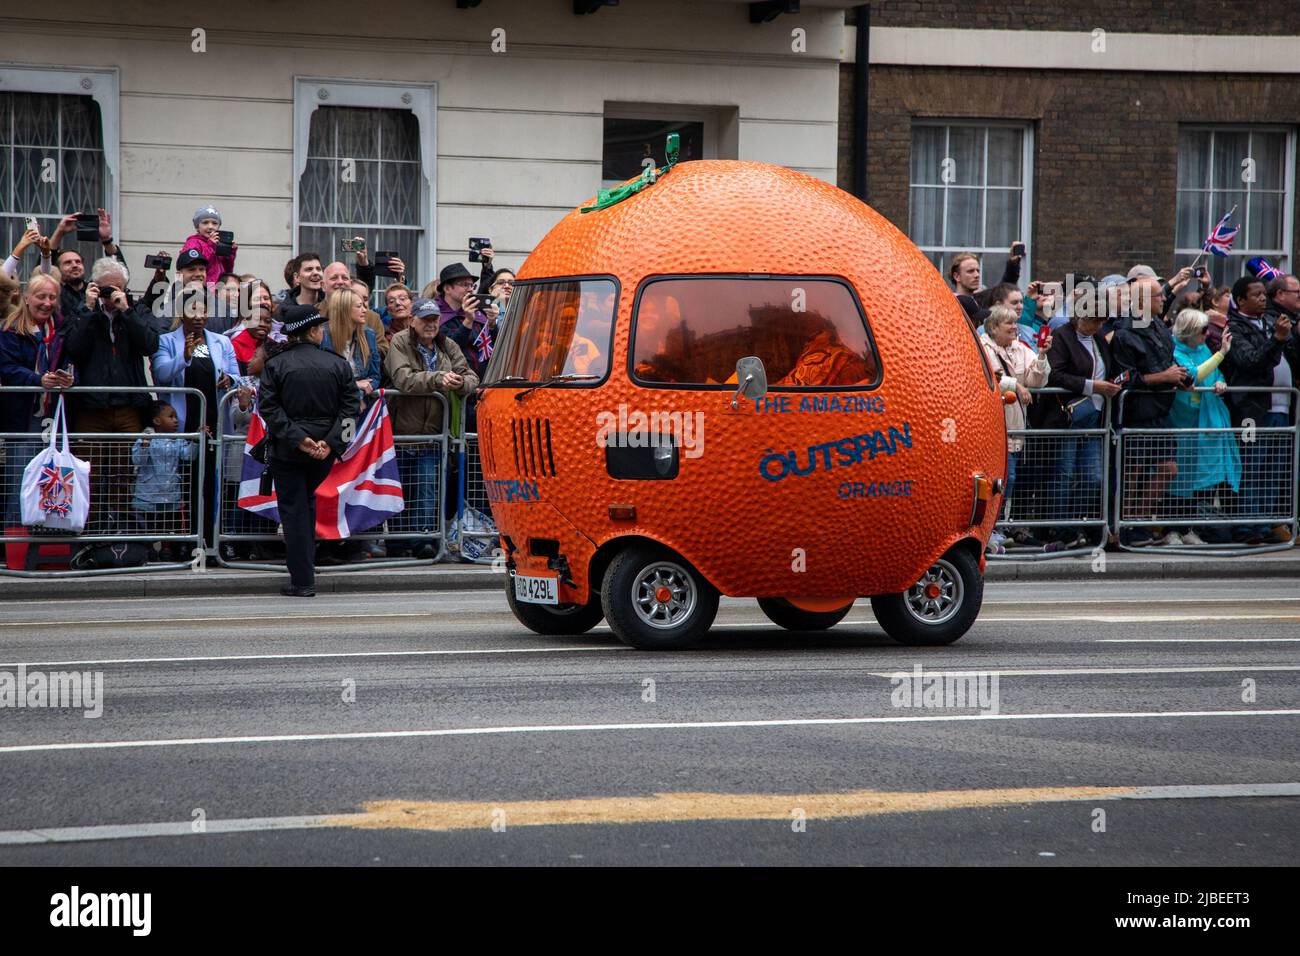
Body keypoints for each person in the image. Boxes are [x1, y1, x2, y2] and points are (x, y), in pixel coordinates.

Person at [258, 305, 361, 596]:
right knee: (305, 508)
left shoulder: (276, 365)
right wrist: (332, 443)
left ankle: (302, 580)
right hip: (322, 452)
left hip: (288, 450)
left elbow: (268, 408)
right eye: (320, 328)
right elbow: (352, 409)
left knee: (294, 512)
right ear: (313, 331)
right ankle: (304, 575)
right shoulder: (338, 364)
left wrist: (298, 439)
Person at [384, 298, 478, 559]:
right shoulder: (400, 342)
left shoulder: (447, 344)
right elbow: (402, 378)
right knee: (400, 490)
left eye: (435, 319)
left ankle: (424, 541)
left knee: (428, 488)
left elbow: (472, 377)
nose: (431, 324)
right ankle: (397, 543)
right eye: (425, 319)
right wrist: (439, 379)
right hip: (402, 432)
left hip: (436, 434)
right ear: (412, 320)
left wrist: (459, 383)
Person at [1110, 275, 1189, 546]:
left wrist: (1180, 375)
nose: (1164, 299)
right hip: (1136, 413)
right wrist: (1162, 378)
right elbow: (1123, 379)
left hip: (1161, 413)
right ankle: (1126, 528)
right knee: (1132, 472)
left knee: (1168, 468)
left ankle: (1139, 521)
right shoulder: (1124, 333)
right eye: (1158, 296)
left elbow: (1168, 360)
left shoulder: (1159, 326)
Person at [1034, 307, 1121, 550]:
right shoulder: (1062, 336)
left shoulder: (1099, 339)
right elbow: (1055, 375)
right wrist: (1092, 385)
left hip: (1094, 418)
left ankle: (1076, 522)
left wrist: (1112, 382)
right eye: (1094, 320)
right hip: (1068, 418)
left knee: (1093, 477)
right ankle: (1059, 529)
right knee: (1064, 474)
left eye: (1101, 321)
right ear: (1081, 318)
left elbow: (1106, 369)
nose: (1098, 325)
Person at [1220, 275, 1292, 544]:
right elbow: (1249, 361)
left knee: (1274, 467)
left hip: (1280, 407)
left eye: (1265, 294)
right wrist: (1277, 340)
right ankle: (1246, 525)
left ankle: (1264, 524)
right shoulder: (1235, 329)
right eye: (1256, 294)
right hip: (1250, 410)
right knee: (1252, 464)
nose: (1263, 298)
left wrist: (1287, 337)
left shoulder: (1271, 322)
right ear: (1240, 300)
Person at [0, 273, 72, 524]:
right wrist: (36, 379)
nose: (47, 302)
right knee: (20, 479)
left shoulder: (62, 328)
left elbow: (69, 361)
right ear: (27, 298)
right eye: (41, 296)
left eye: (52, 297)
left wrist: (68, 377)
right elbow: (6, 367)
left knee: (51, 480)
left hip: (53, 415)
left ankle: (47, 539)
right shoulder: (10, 328)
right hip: (22, 415)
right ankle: (13, 540)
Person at [980, 304, 1050, 553]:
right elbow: (989, 376)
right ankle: (992, 528)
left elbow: (1038, 381)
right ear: (993, 327)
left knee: (1016, 480)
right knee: (1002, 480)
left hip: (1018, 426)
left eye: (1014, 323)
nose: (1013, 327)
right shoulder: (983, 346)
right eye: (1007, 324)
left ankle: (1008, 528)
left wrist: (1041, 355)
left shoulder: (1021, 348)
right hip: (995, 426)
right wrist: (1015, 386)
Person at [1169, 309, 1238, 546]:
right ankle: (1172, 530)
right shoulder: (1175, 350)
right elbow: (1194, 376)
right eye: (1203, 331)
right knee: (1180, 477)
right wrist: (1221, 354)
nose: (1207, 335)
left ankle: (1189, 528)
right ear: (1189, 332)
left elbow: (1213, 373)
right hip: (1184, 420)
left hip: (1206, 421)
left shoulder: (1202, 348)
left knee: (1202, 476)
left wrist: (1220, 382)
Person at [131, 400, 196, 561]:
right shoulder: (145, 439)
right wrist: (145, 445)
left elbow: (189, 455)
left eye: (176, 417)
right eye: (171, 416)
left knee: (168, 524)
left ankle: (167, 549)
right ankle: (149, 548)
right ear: (157, 421)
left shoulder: (178, 440)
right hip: (147, 495)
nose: (176, 420)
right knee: (147, 526)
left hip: (170, 495)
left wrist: (197, 440)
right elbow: (138, 460)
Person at [47, 209, 125, 321]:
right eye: (68, 263)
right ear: (57, 269)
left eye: (78, 262)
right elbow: (43, 268)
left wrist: (106, 240)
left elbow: (120, 271)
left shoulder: (95, 289)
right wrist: (59, 232)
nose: (74, 265)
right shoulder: (56, 292)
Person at [320, 288, 381, 408]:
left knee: (349, 426)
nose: (365, 310)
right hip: (329, 406)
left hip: (358, 407)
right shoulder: (322, 335)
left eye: (364, 305)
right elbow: (321, 379)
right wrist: (355, 385)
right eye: (359, 306)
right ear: (344, 309)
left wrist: (359, 394)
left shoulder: (368, 335)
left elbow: (375, 376)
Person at [178, 205, 237, 288]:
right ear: (197, 227)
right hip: (201, 289)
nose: (210, 227)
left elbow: (228, 271)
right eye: (205, 223)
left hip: (218, 290)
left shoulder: (218, 244)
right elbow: (195, 266)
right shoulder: (193, 243)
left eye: (215, 223)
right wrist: (210, 246)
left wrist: (230, 254)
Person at [948, 245, 1023, 298]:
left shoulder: (982, 300)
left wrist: (1013, 263)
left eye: (978, 271)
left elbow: (1005, 287)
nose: (977, 275)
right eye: (970, 271)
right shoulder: (950, 303)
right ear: (956, 276)